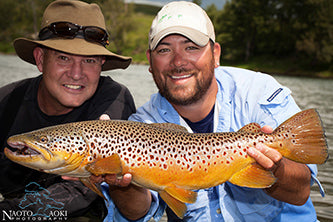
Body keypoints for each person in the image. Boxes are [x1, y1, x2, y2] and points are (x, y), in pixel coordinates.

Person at [98, 1, 325, 221]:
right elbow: (137, 213)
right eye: (164, 50)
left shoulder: (258, 93)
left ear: (215, 54)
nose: (178, 62)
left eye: (191, 48)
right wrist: (121, 186)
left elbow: (301, 191)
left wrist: (276, 168)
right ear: (150, 60)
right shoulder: (141, 127)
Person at [0, 0, 136, 220]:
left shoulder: (112, 99)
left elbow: (81, 191)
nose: (76, 73)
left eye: (89, 60)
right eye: (63, 58)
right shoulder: (7, 103)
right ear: (40, 59)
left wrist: (8, 214)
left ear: (101, 63)